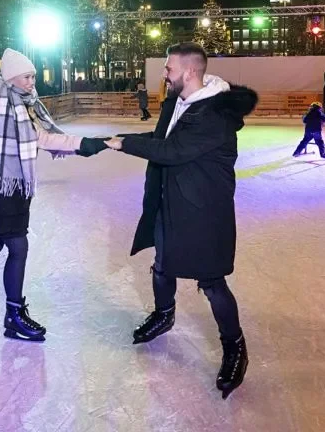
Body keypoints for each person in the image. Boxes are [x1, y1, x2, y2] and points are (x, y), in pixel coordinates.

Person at [104, 42, 258, 400]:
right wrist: (112, 140)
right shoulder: (176, 103)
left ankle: (235, 346)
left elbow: (172, 152)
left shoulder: (214, 115)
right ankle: (164, 314)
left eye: (169, 68)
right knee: (162, 266)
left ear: (189, 71)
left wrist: (123, 145)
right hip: (171, 203)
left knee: (212, 282)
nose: (164, 74)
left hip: (204, 211)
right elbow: (161, 140)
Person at [0, 48, 110, 342]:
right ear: (11, 78)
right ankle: (11, 315)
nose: (32, 82)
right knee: (13, 246)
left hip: (10, 190)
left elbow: (40, 134)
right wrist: (90, 144)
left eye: (33, 76)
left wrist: (86, 145)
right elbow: (41, 138)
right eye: (27, 77)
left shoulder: (23, 105)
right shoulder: (0, 111)